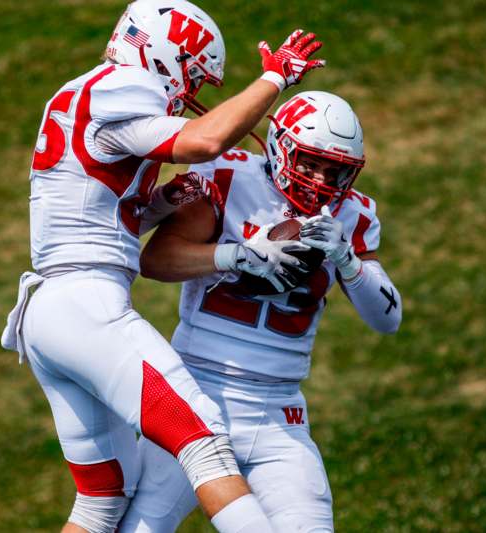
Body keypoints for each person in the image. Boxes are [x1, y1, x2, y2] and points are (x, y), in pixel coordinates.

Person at [1, 0, 327, 531]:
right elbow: (206, 140)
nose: (188, 95)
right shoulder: (123, 86)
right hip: (87, 306)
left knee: (102, 500)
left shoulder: (86, 92)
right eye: (192, 78)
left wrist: (164, 202)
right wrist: (273, 78)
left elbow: (103, 216)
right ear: (167, 53)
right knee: (205, 443)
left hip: (51, 311)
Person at [119, 90, 402, 532]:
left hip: (280, 411)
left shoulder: (352, 216)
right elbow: (155, 261)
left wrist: (347, 260)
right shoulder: (230, 178)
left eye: (335, 170)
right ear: (280, 146)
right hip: (198, 392)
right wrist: (235, 256)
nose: (321, 180)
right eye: (310, 163)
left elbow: (389, 318)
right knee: (136, 526)